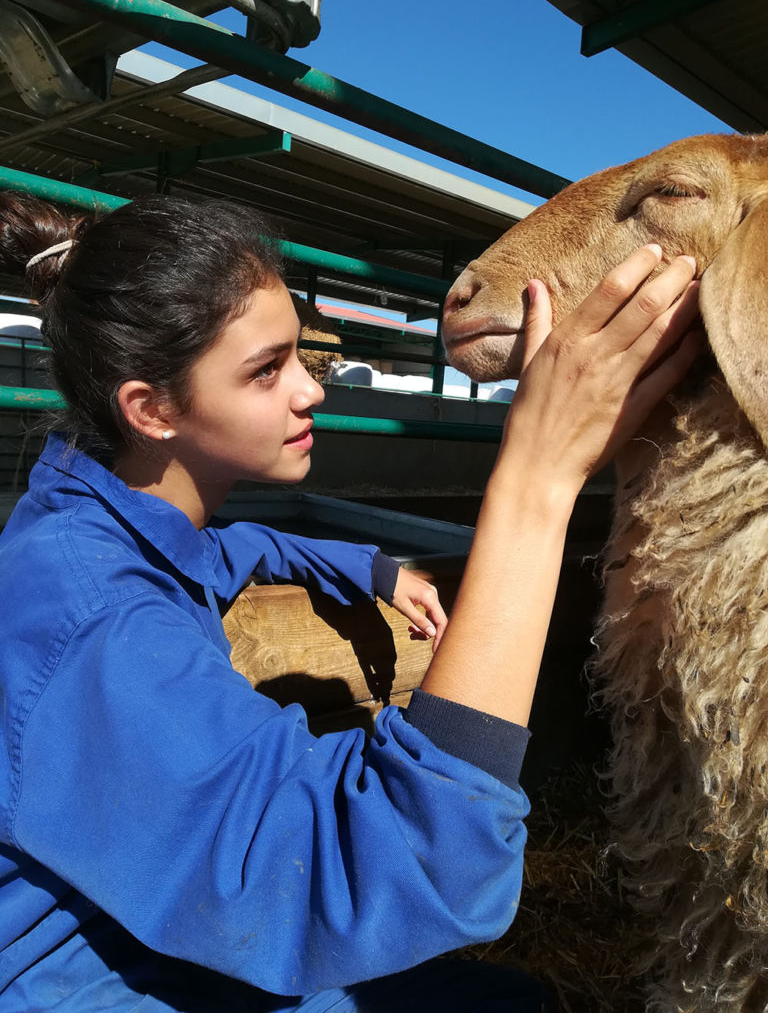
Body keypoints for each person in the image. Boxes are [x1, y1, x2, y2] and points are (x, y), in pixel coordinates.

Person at [0, 191, 700, 1013]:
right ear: (151, 410)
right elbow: (378, 868)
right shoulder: (96, 620)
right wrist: (537, 480)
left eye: (302, 356)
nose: (310, 391)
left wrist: (365, 566)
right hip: (85, 981)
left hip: (138, 923)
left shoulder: (99, 520)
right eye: (266, 370)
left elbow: (232, 549)